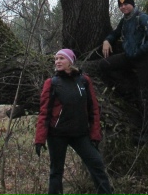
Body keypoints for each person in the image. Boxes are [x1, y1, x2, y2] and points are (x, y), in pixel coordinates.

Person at [35, 49, 113, 195]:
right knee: (56, 172)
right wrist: (40, 139)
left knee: (97, 164)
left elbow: (93, 108)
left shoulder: (84, 80)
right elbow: (44, 112)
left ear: (70, 61)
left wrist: (95, 134)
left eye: (61, 58)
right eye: (56, 59)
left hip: (80, 134)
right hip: (57, 134)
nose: (57, 61)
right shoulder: (52, 83)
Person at [100, 0, 148, 138]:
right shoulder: (125, 20)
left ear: (132, 4)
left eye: (126, 4)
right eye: (120, 5)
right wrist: (107, 40)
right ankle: (126, 90)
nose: (123, 7)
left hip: (145, 60)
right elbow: (115, 33)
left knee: (146, 95)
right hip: (129, 57)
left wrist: (140, 51)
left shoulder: (142, 17)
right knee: (104, 65)